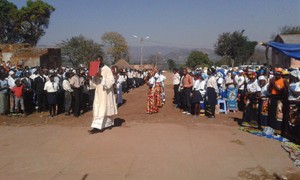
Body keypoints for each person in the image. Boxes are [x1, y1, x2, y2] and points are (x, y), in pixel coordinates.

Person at [88, 57, 118, 134]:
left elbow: (111, 81)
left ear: (102, 60)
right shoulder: (96, 68)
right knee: (97, 108)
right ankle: (96, 127)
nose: (98, 62)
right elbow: (94, 84)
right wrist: (91, 77)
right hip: (98, 92)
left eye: (99, 60)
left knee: (105, 108)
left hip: (106, 93)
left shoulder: (107, 69)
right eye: (96, 60)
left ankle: (108, 124)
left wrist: (101, 76)